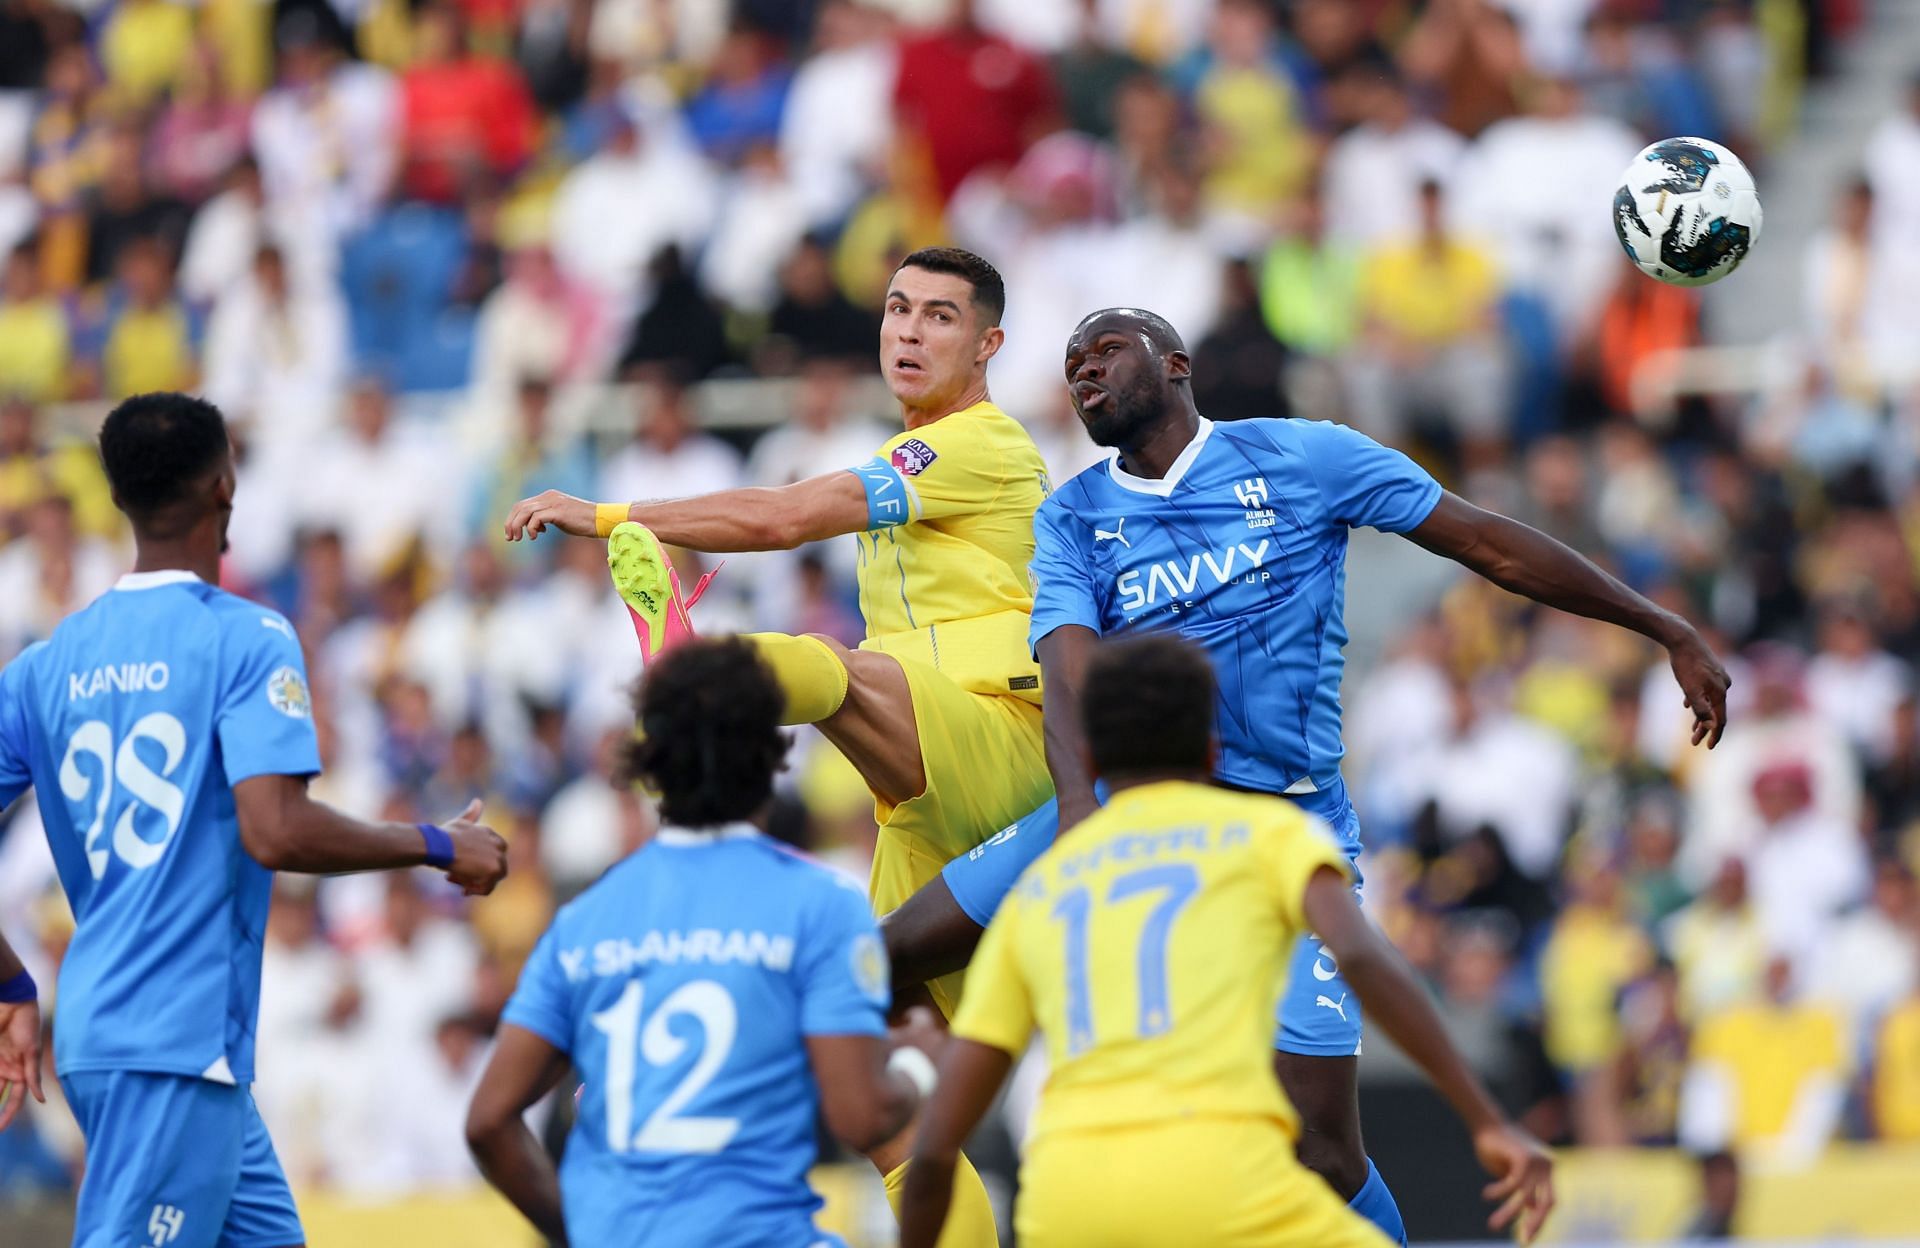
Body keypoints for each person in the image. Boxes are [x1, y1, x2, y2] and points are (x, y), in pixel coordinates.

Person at [902, 306, 1729, 1239]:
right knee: (888, 958)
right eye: (1070, 362)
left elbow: (1486, 541)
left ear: (1175, 366)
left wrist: (1664, 625)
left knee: (1323, 1151)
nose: (1082, 371)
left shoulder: (1305, 456)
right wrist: (1081, 823)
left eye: (1105, 351)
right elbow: (1068, 682)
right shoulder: (1073, 517)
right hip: (1124, 810)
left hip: (1286, 825)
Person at [502, 247, 1042, 1244]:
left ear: (989, 344)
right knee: (901, 1112)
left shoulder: (981, 444)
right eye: (896, 310)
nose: (910, 332)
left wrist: (608, 512)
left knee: (841, 672)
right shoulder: (914, 454)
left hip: (1001, 742)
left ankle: (697, 676)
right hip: (918, 808)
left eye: (940, 317)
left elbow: (791, 514)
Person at [0, 392, 506, 1248]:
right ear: (225, 486)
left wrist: (12, 981)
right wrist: (433, 842)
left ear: (119, 499)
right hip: (170, 1042)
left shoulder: (46, 665)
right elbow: (274, 829)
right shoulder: (246, 637)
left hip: (142, 1037)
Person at [899, 635, 1554, 1248]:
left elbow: (933, 1149)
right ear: (1214, 754)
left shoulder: (1042, 891)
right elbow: (1357, 954)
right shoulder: (1269, 836)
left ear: (1090, 758)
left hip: (1068, 1203)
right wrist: (1486, 1116)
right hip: (1222, 1180)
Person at [465, 637, 940, 1247]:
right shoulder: (822, 905)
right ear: (774, 755)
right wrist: (918, 1065)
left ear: (649, 764)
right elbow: (860, 1114)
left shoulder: (585, 919)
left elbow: (487, 1122)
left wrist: (582, 1234)